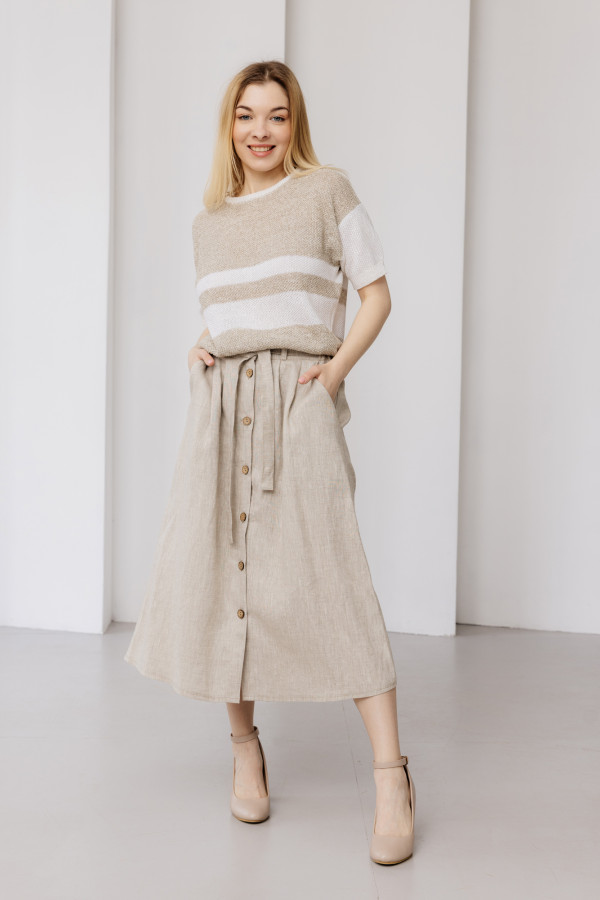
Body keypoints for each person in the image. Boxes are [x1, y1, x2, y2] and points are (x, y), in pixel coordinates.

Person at [124, 59, 415, 865]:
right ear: (230, 126)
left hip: (299, 400)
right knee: (229, 578)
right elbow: (232, 316)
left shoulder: (326, 191)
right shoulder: (208, 223)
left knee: (336, 579)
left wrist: (333, 374)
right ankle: (245, 750)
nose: (261, 131)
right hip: (222, 409)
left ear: (295, 124)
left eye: (277, 116)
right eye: (247, 115)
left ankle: (390, 776)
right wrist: (200, 349)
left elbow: (378, 295)